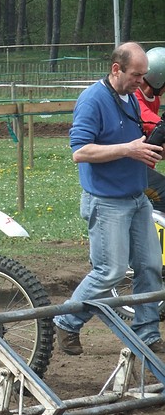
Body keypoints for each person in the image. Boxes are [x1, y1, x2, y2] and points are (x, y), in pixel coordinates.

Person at [54, 41, 165, 356]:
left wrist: (147, 147)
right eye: (136, 75)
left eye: (144, 76)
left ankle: (146, 333)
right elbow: (80, 151)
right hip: (106, 202)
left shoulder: (129, 97)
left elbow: (130, 141)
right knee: (110, 271)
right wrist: (129, 149)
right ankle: (66, 321)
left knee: (150, 267)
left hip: (136, 197)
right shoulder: (93, 99)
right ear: (116, 69)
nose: (141, 82)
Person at [136, 47, 165, 212]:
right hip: (128, 168)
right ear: (159, 80)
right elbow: (156, 127)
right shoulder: (135, 98)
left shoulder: (154, 99)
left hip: (142, 166)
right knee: (163, 191)